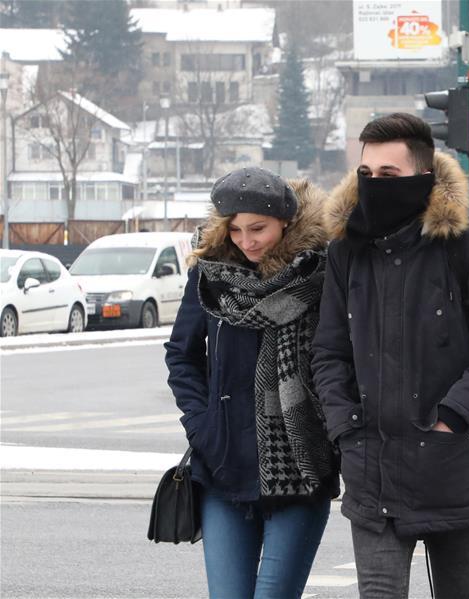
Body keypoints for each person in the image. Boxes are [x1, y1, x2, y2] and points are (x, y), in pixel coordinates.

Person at [311, 113, 469, 599]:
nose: (374, 186)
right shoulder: (345, 252)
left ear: (423, 177)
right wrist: (345, 424)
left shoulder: (467, 247)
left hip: (455, 473)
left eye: (388, 176)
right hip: (373, 478)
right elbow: (328, 352)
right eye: (365, 175)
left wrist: (453, 415)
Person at [164, 167, 339, 598]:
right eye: (237, 230)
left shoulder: (321, 276)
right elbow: (182, 356)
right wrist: (202, 425)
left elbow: (340, 361)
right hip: (223, 465)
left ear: (286, 219)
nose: (247, 240)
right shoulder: (210, 280)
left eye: (258, 228)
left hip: (299, 469)